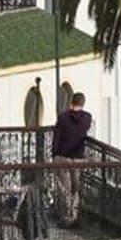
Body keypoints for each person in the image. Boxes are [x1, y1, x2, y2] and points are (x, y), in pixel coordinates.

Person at [51, 91, 92, 225]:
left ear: (71, 102)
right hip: (78, 157)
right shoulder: (87, 118)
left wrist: (54, 154)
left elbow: (57, 137)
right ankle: (74, 215)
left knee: (64, 189)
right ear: (83, 103)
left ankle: (65, 216)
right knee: (76, 189)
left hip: (62, 157)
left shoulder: (63, 118)